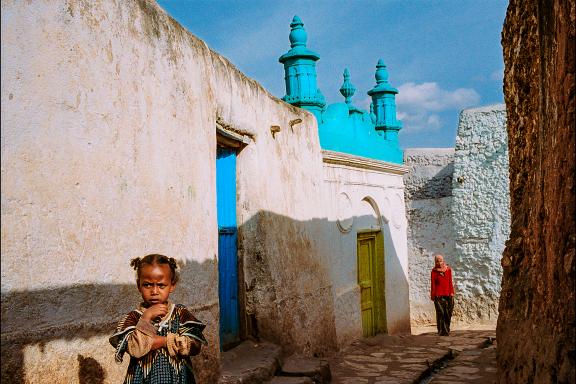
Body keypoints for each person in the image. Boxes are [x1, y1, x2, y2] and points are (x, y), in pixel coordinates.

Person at [109, 254, 207, 384]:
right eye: (147, 285)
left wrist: (162, 341)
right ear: (139, 286)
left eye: (161, 285)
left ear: (172, 285)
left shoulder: (180, 313)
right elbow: (135, 349)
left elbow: (194, 345)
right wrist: (146, 318)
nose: (154, 291)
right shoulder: (133, 318)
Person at [430, 253, 454, 336]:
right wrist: (432, 295)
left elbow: (450, 282)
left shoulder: (448, 270)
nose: (439, 263)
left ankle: (446, 330)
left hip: (448, 294)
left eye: (440, 261)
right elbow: (433, 284)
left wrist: (452, 292)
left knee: (448, 313)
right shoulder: (434, 271)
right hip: (438, 295)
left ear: (443, 261)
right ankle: (440, 330)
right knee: (440, 313)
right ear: (435, 262)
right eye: (437, 261)